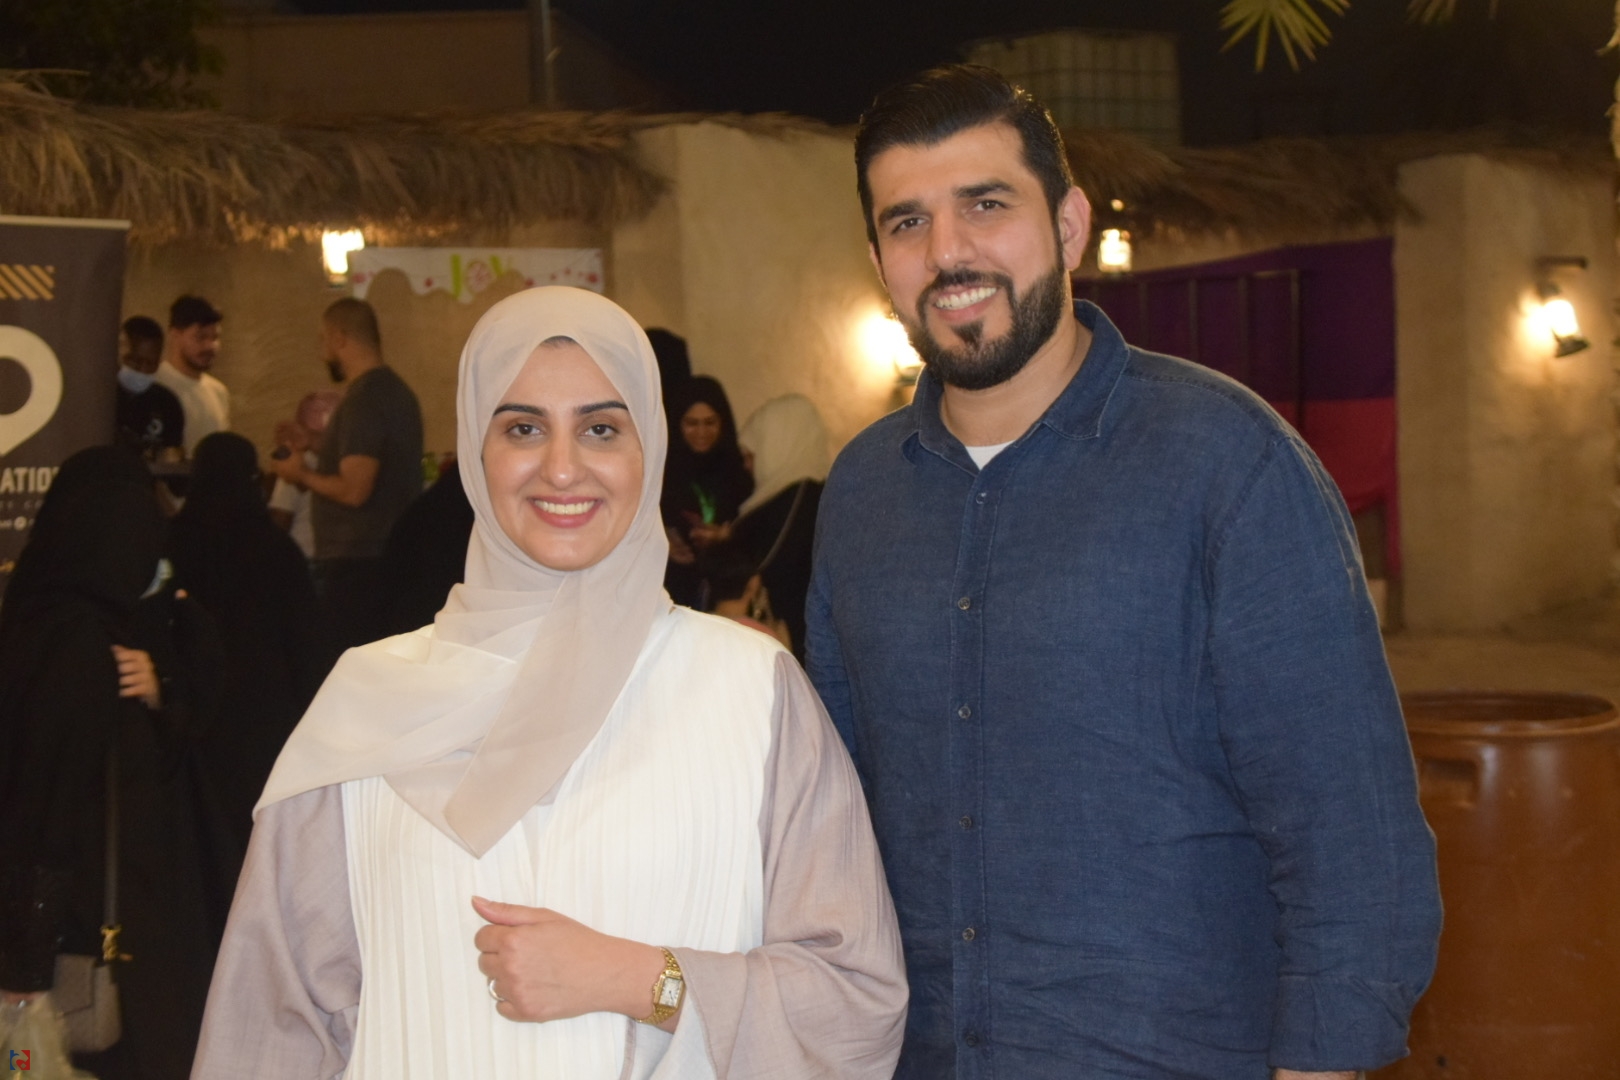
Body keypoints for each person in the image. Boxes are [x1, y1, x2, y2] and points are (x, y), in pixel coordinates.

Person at [806, 65, 1441, 1080]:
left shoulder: (1226, 463)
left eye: (985, 205)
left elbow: (1349, 828)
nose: (949, 251)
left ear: (1068, 226)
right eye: (908, 222)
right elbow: (833, 812)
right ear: (880, 260)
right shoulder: (861, 495)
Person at [192, 286, 906, 1079]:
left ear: (649, 448)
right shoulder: (365, 706)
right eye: (523, 428)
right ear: (475, 452)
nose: (562, 468)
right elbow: (275, 1029)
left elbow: (853, 1005)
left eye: (601, 428)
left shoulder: (751, 691)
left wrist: (641, 979)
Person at [0, 446, 232, 1080]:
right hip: (82, 940)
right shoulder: (77, 644)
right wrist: (23, 965)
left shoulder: (57, 624)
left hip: (91, 930)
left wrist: (160, 696)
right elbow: (43, 807)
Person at [168, 433, 336, 853]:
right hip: (263, 721)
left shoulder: (170, 544)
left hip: (189, 722)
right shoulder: (275, 550)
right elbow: (307, 645)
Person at [266, 298, 423, 649]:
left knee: (347, 662)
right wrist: (313, 442)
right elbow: (369, 455)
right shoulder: (397, 392)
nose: (322, 352)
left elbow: (355, 490)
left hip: (357, 563)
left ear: (338, 338)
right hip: (388, 556)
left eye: (323, 340)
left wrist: (300, 473)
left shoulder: (363, 399)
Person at [728, 394, 829, 659]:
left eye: (751, 455)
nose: (747, 465)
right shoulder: (795, 495)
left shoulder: (799, 500)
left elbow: (766, 564)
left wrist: (726, 543)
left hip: (796, 644)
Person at [660, 375, 753, 607]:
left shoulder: (738, 472)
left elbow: (756, 533)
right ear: (676, 424)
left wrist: (726, 536)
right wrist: (663, 539)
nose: (701, 431)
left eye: (710, 422)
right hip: (672, 594)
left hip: (728, 598)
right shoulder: (661, 472)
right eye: (691, 423)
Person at [266, 390, 342, 560]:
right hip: (337, 560)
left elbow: (279, 523)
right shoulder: (353, 464)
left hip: (303, 560)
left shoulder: (297, 463)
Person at [154, 295, 231, 455]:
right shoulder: (156, 384)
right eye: (201, 337)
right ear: (175, 335)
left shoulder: (219, 392)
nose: (210, 346)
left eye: (215, 337)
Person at [115, 315, 185, 458]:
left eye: (151, 363)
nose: (143, 369)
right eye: (135, 361)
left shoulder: (167, 403)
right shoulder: (101, 398)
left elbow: (172, 455)